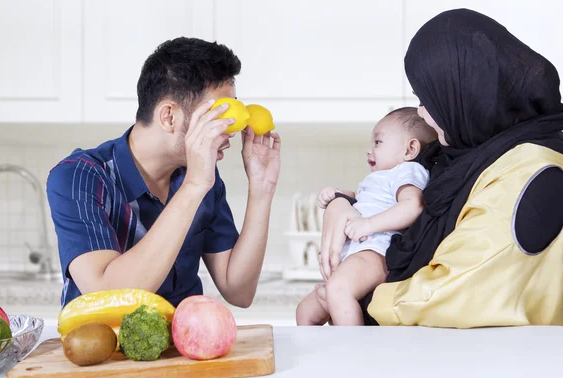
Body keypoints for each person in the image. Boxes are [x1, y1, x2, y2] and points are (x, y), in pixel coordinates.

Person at [319, 8, 563, 327]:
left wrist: (352, 297)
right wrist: (342, 203)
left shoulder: (534, 169)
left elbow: (454, 295)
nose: (422, 113)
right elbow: (394, 198)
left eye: (429, 99)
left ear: (466, 94)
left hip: (498, 367)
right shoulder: (455, 156)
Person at [46, 38, 281, 308]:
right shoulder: (79, 176)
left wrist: (262, 189)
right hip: (103, 349)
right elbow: (106, 297)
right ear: (169, 117)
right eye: (218, 114)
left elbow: (239, 291)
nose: (230, 129)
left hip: (184, 346)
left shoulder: (202, 178)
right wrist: (194, 186)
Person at [296, 107, 437, 326]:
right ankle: (328, 356)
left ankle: (354, 354)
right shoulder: (381, 178)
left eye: (378, 143)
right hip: (357, 254)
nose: (369, 151)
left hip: (375, 251)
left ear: (410, 150)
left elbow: (413, 205)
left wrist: (368, 224)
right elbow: (364, 201)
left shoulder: (407, 171)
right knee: (305, 311)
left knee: (339, 290)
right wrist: (339, 195)